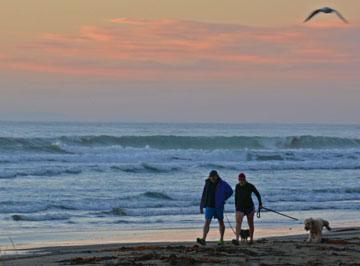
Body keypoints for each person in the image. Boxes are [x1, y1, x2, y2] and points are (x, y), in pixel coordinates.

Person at [197, 170, 233, 246]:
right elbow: (204, 194)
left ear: (217, 176)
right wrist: (201, 205)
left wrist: (223, 199)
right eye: (211, 177)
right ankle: (203, 239)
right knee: (207, 222)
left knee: (221, 221)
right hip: (209, 205)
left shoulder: (222, 183)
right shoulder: (207, 183)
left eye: (213, 177)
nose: (212, 178)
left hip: (218, 206)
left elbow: (230, 191)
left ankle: (221, 239)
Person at [232, 172, 262, 245]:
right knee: (238, 223)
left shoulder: (250, 186)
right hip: (240, 207)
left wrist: (260, 203)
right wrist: (236, 205)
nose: (241, 181)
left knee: (250, 223)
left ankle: (251, 239)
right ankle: (237, 239)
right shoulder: (237, 186)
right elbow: (236, 196)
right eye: (240, 180)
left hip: (249, 207)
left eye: (242, 180)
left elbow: (257, 193)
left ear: (245, 179)